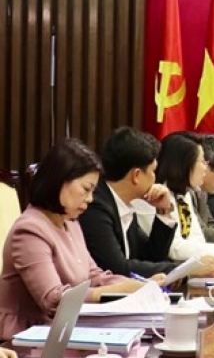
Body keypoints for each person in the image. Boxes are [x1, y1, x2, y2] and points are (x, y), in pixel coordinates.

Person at [0, 139, 145, 341]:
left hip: (63, 331)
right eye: (86, 189)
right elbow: (53, 300)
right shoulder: (29, 230)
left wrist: (139, 286)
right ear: (59, 181)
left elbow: (93, 275)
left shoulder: (71, 223)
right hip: (23, 338)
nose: (90, 199)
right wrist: (114, 291)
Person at [80, 127, 182, 278]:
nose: (155, 178)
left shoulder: (124, 202)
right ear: (136, 175)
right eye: (153, 171)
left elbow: (150, 257)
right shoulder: (96, 206)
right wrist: (181, 269)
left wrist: (163, 211)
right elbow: (118, 268)